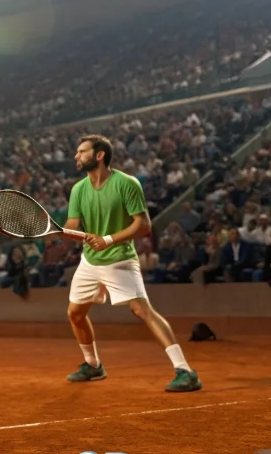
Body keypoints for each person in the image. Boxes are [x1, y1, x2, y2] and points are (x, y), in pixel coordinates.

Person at [61, 134, 202, 392]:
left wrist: (108, 240)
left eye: (82, 151)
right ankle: (93, 365)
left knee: (141, 309)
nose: (76, 156)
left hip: (119, 258)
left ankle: (186, 371)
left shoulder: (127, 183)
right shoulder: (78, 189)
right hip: (90, 261)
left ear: (99, 154)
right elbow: (72, 226)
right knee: (75, 313)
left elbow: (143, 225)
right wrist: (57, 232)